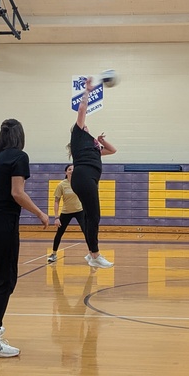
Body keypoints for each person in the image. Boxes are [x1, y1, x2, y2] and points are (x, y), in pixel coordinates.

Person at [0, 119, 49, 357]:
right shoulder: (19, 156)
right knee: (5, 280)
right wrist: (40, 213)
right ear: (20, 136)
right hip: (2, 224)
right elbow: (17, 193)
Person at [69, 76, 117, 268]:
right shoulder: (78, 135)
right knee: (94, 216)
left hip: (87, 179)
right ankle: (95, 255)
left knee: (91, 216)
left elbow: (112, 150)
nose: (86, 126)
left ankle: (91, 254)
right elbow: (82, 109)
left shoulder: (93, 146)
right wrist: (87, 91)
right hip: (83, 176)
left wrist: (102, 141)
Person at [48, 164, 85, 263]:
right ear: (66, 172)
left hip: (79, 211)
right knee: (59, 233)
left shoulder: (80, 183)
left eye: (73, 169)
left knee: (87, 232)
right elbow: (56, 201)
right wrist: (56, 217)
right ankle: (54, 254)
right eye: (69, 169)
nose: (72, 171)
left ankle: (92, 254)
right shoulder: (61, 185)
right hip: (66, 212)